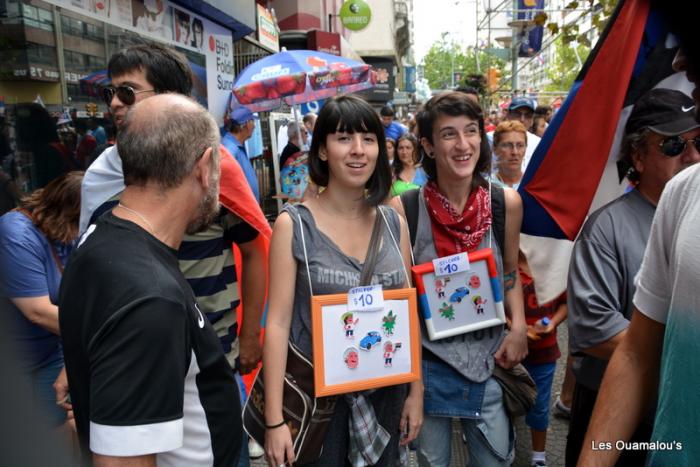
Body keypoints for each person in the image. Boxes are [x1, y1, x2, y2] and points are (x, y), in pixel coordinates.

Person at [75, 43, 269, 465]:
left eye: (128, 92)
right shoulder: (149, 295)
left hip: (212, 352)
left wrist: (251, 332)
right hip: (140, 353)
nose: (114, 103)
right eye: (110, 92)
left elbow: (256, 248)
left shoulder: (222, 168)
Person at [263, 95, 423, 467]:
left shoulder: (392, 222)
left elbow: (407, 308)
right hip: (318, 404)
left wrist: (416, 391)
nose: (358, 151)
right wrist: (274, 420)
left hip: (387, 394)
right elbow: (277, 324)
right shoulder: (294, 225)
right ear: (321, 150)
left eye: (368, 139)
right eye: (343, 138)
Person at [568, 88, 700, 466]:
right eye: (674, 145)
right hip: (618, 415)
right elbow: (595, 329)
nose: (691, 156)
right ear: (638, 157)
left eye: (698, 142)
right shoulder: (606, 227)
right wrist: (683, 354)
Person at [394, 91, 527, 467]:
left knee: (493, 460)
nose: (463, 144)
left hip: (490, 361)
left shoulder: (505, 203)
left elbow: (510, 272)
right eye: (449, 134)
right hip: (430, 367)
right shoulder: (404, 210)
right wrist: (413, 388)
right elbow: (404, 301)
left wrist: (518, 328)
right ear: (428, 146)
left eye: (471, 131)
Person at [0, 171, 83, 428]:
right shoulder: (15, 235)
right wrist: (98, 332)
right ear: (66, 213)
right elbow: (37, 311)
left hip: (49, 352)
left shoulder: (63, 235)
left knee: (58, 424)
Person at [519, 251, 568, 467]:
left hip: (544, 354)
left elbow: (565, 303)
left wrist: (553, 323)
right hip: (511, 353)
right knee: (506, 401)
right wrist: (517, 329)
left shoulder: (554, 269)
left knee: (540, 405)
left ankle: (538, 456)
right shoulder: (506, 266)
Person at [488, 97, 541, 173]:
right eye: (517, 114)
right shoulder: (489, 139)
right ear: (508, 115)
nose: (522, 119)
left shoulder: (538, 143)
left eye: (528, 115)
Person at [223, 106, 261, 201]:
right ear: (246, 124)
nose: (254, 126)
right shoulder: (230, 149)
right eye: (252, 121)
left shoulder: (236, 145)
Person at [492, 120, 528, 189]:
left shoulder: (533, 185)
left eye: (520, 145)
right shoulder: (485, 187)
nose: (515, 152)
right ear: (495, 149)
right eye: (507, 145)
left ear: (526, 148)